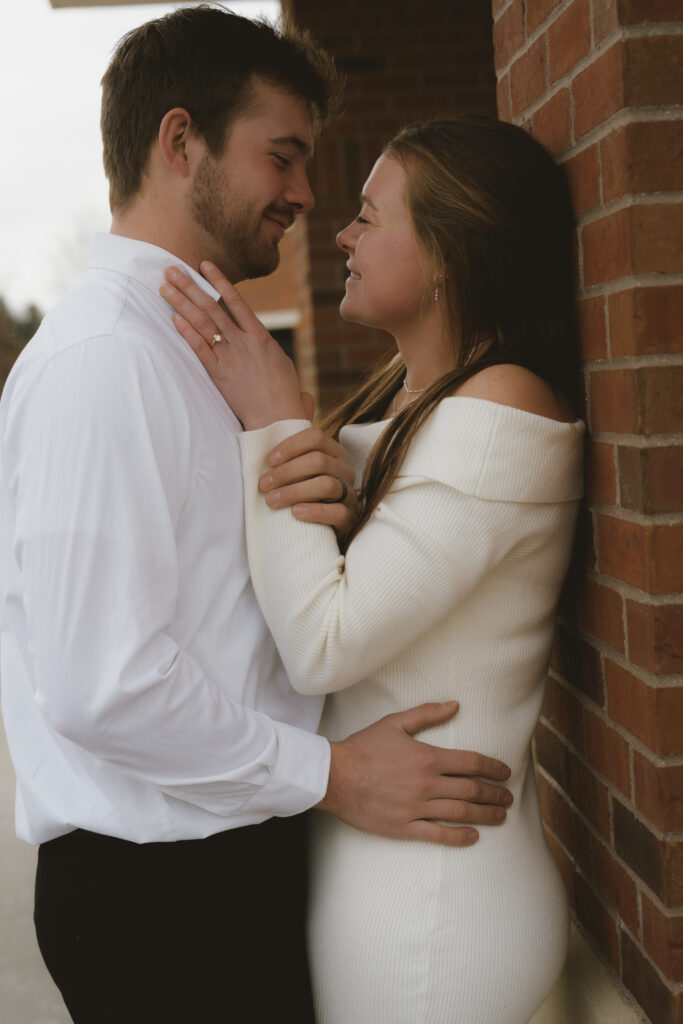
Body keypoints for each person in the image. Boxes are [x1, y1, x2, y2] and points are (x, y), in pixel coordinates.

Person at [0, 9, 513, 1023]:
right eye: (282, 157)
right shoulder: (109, 359)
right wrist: (333, 775)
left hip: (217, 876)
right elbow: (102, 685)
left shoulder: (192, 345)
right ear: (178, 141)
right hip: (164, 905)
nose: (306, 196)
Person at [160, 115, 584, 1023]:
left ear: (446, 254)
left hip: (432, 916)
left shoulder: (499, 408)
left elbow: (322, 644)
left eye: (368, 215)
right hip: (388, 886)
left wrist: (276, 419)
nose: (342, 236)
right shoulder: (409, 407)